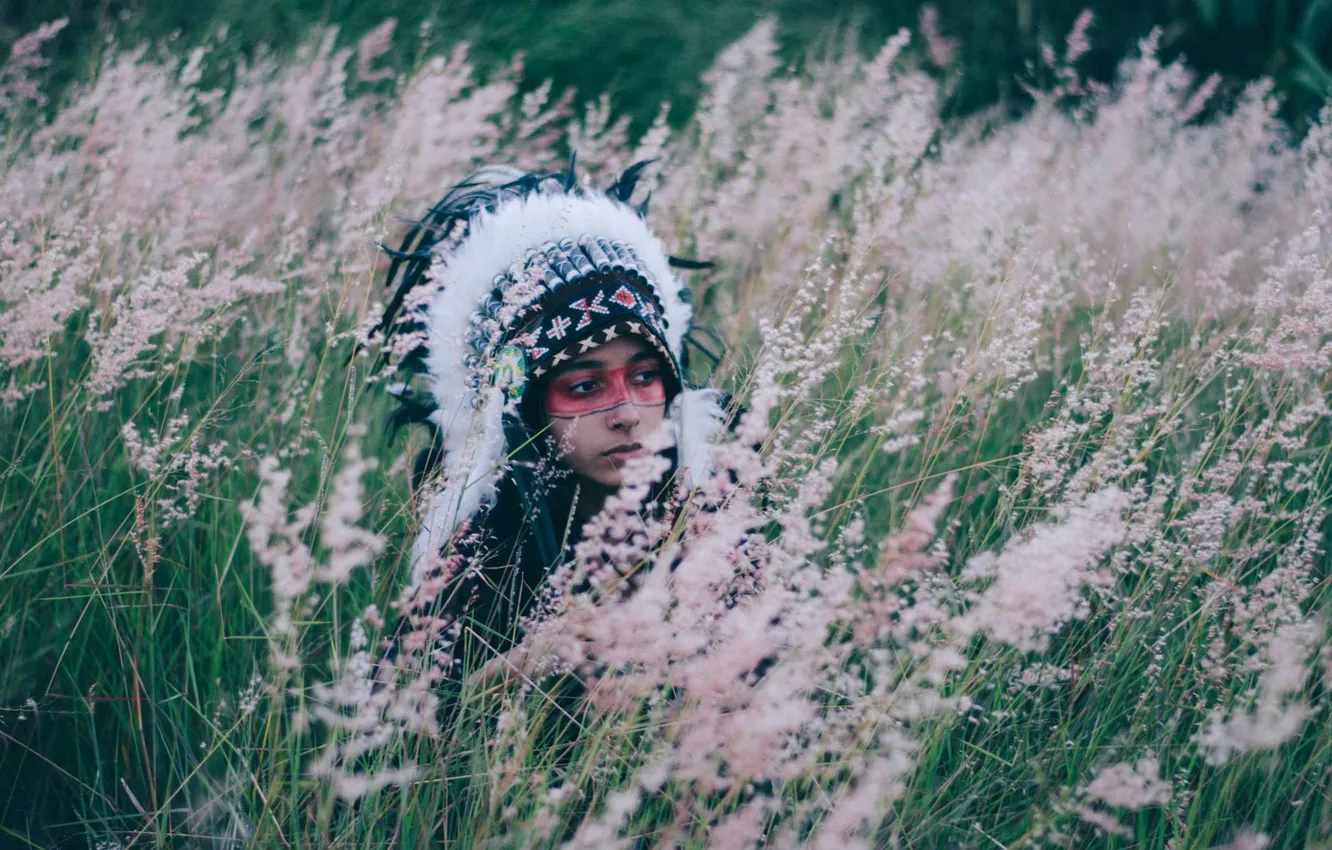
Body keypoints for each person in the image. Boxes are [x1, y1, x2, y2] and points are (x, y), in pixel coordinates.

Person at [375, 159, 727, 687]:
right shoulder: (476, 561)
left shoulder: (714, 523)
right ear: (526, 407)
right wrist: (515, 675)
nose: (627, 414)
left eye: (646, 376)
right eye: (584, 386)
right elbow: (399, 735)